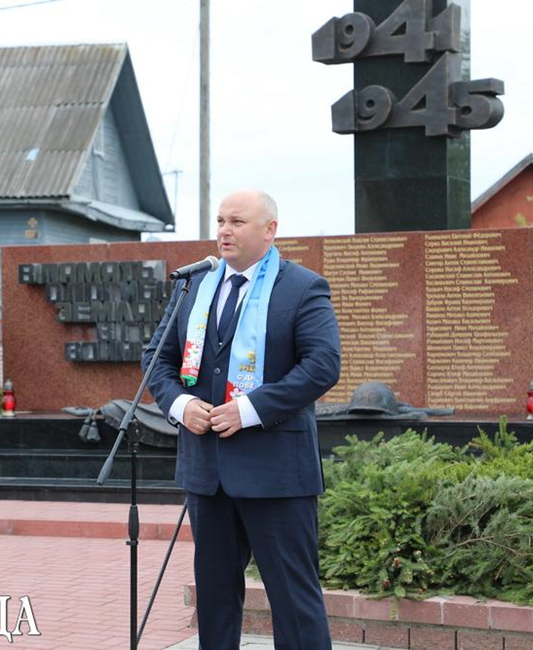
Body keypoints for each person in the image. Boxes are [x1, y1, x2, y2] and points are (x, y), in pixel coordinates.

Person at [143, 190, 341, 649]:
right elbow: (157, 358)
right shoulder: (195, 285)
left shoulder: (302, 287)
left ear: (270, 230)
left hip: (276, 473)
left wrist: (250, 410)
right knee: (214, 599)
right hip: (207, 472)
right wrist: (180, 405)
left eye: (237, 221)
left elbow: (322, 366)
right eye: (220, 221)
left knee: (293, 600)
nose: (224, 231)